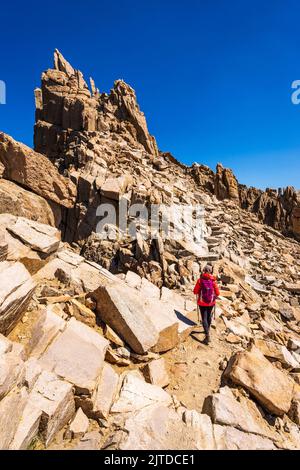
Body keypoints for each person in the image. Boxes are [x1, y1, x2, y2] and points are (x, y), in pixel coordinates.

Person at [193, 264, 220, 345]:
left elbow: (195, 291)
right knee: (209, 316)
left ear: (203, 270)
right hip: (211, 302)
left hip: (202, 302)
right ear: (210, 271)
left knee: (204, 317)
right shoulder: (213, 281)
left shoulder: (200, 280)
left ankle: (207, 335)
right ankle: (207, 330)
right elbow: (218, 293)